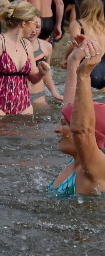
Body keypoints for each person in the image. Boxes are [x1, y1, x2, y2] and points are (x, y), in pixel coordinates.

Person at [50, 40, 105, 196]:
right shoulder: (77, 161)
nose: (56, 129)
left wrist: (84, 75)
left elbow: (81, 131)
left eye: (63, 124)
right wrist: (73, 61)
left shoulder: (95, 167)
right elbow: (70, 107)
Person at [27, 15, 63, 106]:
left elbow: (46, 72)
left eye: (37, 27)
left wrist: (54, 93)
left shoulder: (46, 46)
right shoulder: (14, 47)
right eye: (31, 26)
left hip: (39, 95)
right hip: (19, 95)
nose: (34, 31)